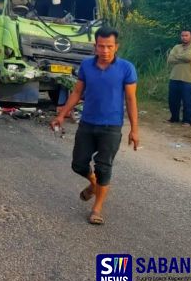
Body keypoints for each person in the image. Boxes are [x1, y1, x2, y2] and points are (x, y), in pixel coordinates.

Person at [50, 27, 139, 225]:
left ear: (116, 47)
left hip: (111, 127)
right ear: (95, 47)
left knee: (103, 168)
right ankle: (93, 184)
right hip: (87, 124)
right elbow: (76, 92)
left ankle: (97, 209)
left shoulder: (126, 68)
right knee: (78, 164)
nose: (105, 51)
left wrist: (134, 129)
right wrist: (61, 115)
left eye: (109, 46)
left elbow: (131, 100)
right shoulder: (87, 66)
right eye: (101, 46)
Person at [167, 29, 191, 126]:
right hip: (174, 77)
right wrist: (182, 56)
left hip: (188, 79)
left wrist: (177, 56)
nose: (184, 37)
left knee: (187, 101)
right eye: (182, 35)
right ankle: (174, 118)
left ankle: (187, 120)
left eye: (186, 35)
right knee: (172, 100)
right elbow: (170, 59)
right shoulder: (177, 46)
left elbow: (188, 58)